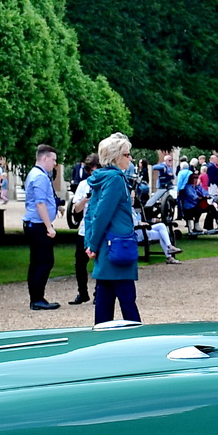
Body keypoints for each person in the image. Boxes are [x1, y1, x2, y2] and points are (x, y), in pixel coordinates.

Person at [83, 133, 142, 324]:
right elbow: (102, 214)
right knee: (126, 301)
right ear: (116, 156)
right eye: (127, 154)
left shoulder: (101, 179)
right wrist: (92, 243)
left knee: (104, 299)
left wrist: (90, 243)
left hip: (106, 245)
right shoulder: (115, 180)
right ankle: (137, 340)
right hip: (117, 245)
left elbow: (91, 213)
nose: (130, 158)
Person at [23, 143, 60, 311]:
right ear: (44, 158)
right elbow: (40, 203)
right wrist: (49, 227)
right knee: (45, 261)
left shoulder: (38, 174)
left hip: (35, 224)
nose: (54, 164)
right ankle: (37, 298)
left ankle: (36, 297)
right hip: (37, 225)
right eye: (53, 160)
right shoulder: (40, 177)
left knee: (37, 261)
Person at [67, 154, 100, 304]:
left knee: (99, 262)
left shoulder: (105, 184)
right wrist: (86, 199)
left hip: (99, 228)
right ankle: (82, 292)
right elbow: (77, 209)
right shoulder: (83, 185)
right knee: (80, 263)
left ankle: (98, 293)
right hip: (84, 228)